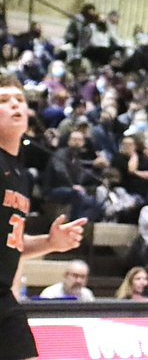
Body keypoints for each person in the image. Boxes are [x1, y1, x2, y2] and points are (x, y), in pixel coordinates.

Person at [0, 82, 86, 355]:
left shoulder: (21, 174)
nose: (15, 104)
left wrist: (51, 242)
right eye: (4, 100)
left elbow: (12, 244)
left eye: (19, 99)